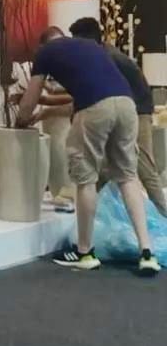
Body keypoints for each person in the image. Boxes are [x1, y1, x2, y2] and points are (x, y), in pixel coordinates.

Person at [16, 27, 159, 274]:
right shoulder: (89, 47)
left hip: (96, 108)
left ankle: (85, 252)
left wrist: (21, 120)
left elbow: (30, 99)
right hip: (127, 105)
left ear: (42, 45)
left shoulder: (45, 54)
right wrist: (45, 112)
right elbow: (92, 96)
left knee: (86, 179)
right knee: (128, 176)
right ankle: (147, 253)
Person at [69, 16, 167, 217]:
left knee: (144, 168)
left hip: (138, 111)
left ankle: (163, 214)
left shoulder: (108, 58)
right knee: (106, 167)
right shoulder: (102, 55)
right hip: (125, 110)